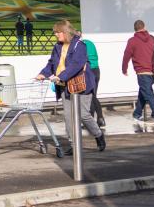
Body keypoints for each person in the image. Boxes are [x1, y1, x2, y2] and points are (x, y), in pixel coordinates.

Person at [36, 20, 105, 153]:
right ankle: (74, 145)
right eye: (55, 32)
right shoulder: (57, 46)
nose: (56, 35)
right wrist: (42, 74)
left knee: (84, 115)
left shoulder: (79, 45)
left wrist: (61, 76)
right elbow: (51, 63)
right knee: (68, 117)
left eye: (58, 32)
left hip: (81, 84)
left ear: (65, 32)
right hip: (64, 86)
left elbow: (76, 64)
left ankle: (98, 135)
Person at [122, 19, 154, 129]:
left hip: (141, 72)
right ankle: (137, 114)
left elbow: (126, 55)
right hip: (152, 71)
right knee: (144, 91)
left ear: (135, 29)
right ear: (144, 26)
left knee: (148, 93)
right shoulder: (152, 39)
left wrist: (124, 69)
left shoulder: (132, 41)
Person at [80, 34, 105, 128]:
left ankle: (98, 118)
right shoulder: (90, 43)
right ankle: (96, 119)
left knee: (91, 96)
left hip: (89, 71)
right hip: (96, 70)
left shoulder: (80, 45)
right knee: (93, 95)